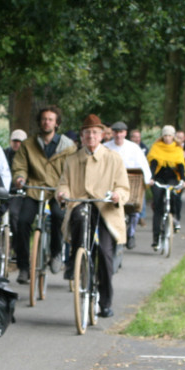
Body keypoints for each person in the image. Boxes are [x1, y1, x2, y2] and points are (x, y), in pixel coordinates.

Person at [56, 115, 130, 318]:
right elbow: (63, 183)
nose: (91, 136)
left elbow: (123, 187)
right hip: (81, 203)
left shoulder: (113, 158)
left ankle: (105, 302)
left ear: (102, 135)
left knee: (105, 253)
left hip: (106, 208)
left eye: (95, 133)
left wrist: (117, 195)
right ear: (81, 136)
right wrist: (62, 194)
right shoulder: (72, 160)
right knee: (79, 217)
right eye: (87, 132)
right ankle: (75, 259)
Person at [11, 105, 77, 284]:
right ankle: (24, 267)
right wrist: (20, 178)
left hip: (57, 190)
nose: (46, 122)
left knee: (59, 216)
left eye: (50, 119)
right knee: (22, 221)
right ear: (39, 122)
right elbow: (20, 166)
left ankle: (56, 253)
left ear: (56, 123)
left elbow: (72, 170)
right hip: (34, 189)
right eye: (44, 119)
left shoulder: (68, 147)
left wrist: (66, 188)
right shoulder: (28, 144)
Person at [103, 120, 153, 250]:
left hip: (131, 183)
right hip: (111, 183)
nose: (118, 135)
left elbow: (143, 164)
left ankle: (130, 234)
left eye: (121, 132)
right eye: (116, 132)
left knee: (134, 209)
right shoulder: (105, 147)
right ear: (112, 133)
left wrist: (147, 179)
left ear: (125, 133)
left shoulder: (133, 148)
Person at [147, 125, 185, 250]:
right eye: (165, 135)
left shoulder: (177, 149)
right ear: (162, 136)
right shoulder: (156, 147)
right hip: (159, 178)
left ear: (173, 136)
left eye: (170, 135)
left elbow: (181, 165)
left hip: (172, 178)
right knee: (158, 206)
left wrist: (184, 180)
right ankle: (156, 239)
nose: (167, 138)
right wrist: (151, 178)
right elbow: (153, 164)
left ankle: (174, 218)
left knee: (175, 196)